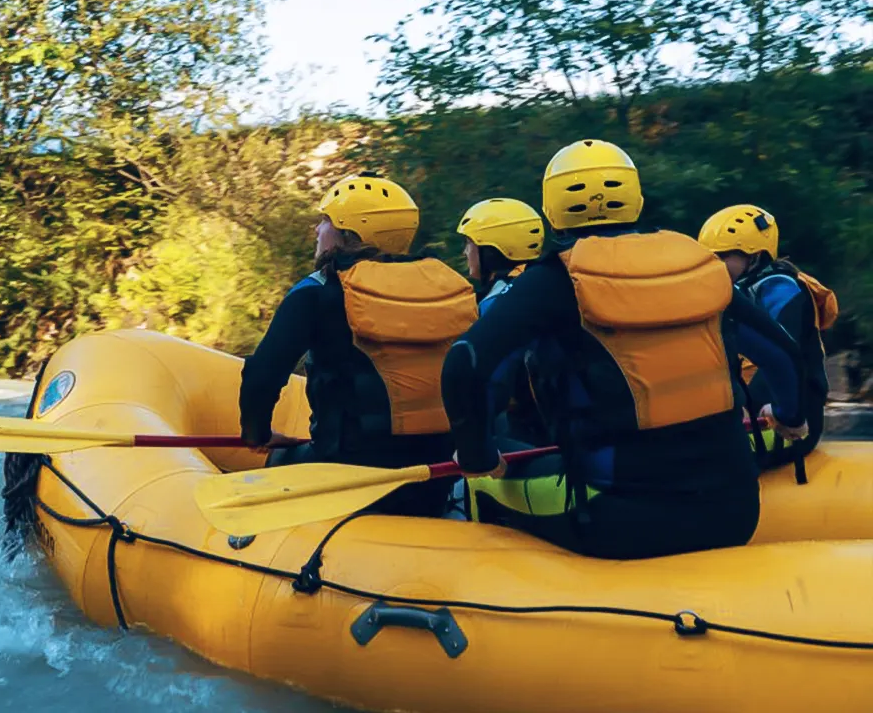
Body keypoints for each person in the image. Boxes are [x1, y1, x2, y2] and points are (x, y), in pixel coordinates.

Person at [439, 140, 811, 559]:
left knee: (478, 481)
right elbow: (782, 353)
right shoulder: (698, 264)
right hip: (736, 511)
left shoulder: (554, 280)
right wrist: (789, 417)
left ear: (551, 209)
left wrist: (476, 455)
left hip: (621, 521)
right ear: (636, 198)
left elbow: (465, 364)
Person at [239, 172, 476, 516]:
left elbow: (262, 376)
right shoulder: (445, 287)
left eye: (325, 221)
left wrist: (257, 434)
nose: (317, 230)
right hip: (434, 473)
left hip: (348, 474)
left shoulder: (317, 291)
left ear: (349, 233)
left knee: (280, 460)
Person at [698, 205, 837, 467]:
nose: (714, 265)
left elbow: (782, 356)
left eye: (723, 256)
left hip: (791, 419)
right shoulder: (730, 292)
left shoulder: (782, 290)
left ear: (754, 257)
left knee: (709, 461)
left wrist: (774, 409)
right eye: (710, 258)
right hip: (749, 412)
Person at [456, 198, 552, 446]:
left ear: (491, 251)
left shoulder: (497, 300)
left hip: (532, 434)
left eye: (469, 244)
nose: (465, 252)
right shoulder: (547, 283)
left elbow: (492, 384)